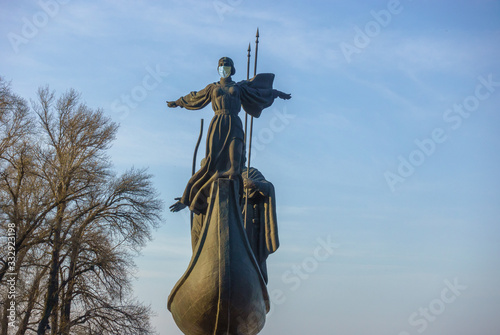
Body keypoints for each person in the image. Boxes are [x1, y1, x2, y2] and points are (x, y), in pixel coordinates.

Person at [167, 57, 291, 215]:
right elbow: (194, 97)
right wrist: (178, 102)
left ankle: (231, 203)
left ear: (232, 69)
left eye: (226, 65)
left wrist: (278, 93)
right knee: (209, 165)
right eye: (220, 65)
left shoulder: (239, 87)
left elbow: (259, 93)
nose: (223, 68)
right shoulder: (212, 88)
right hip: (218, 125)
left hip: (234, 124)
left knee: (234, 169)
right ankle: (187, 199)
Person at [242, 166, 279, 284]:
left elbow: (268, 187)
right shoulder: (215, 172)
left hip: (247, 223)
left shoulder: (249, 172)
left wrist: (254, 184)